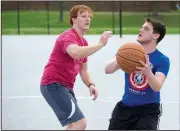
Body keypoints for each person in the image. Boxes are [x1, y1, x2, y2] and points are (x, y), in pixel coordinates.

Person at [40, 5, 112, 130]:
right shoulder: (67, 36)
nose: (87, 19)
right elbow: (75, 52)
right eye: (83, 16)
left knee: (72, 125)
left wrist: (90, 84)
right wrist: (100, 44)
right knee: (80, 123)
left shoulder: (83, 42)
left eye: (89, 16)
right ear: (73, 19)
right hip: (54, 84)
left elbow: (83, 70)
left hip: (65, 87)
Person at [105, 17, 170, 130]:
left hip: (148, 111)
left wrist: (147, 71)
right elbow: (107, 70)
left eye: (146, 29)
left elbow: (157, 86)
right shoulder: (128, 51)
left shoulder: (162, 59)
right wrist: (121, 60)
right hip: (125, 108)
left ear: (156, 35)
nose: (141, 30)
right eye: (141, 27)